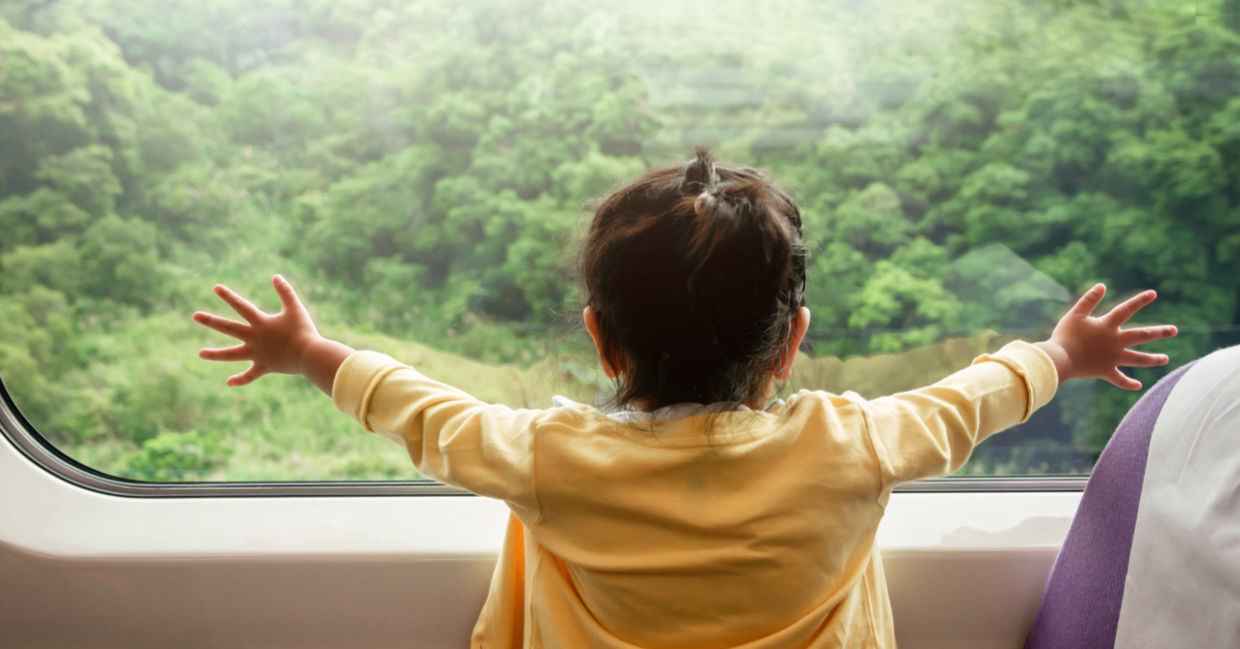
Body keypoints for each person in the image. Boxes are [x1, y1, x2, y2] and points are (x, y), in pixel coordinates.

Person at [193, 149, 1178, 648]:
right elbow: (972, 400)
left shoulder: (551, 459)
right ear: (792, 341)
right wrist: (1059, 352)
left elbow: (425, 413)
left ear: (599, 336)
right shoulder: (856, 444)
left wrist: (312, 351)